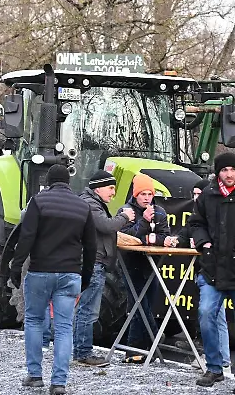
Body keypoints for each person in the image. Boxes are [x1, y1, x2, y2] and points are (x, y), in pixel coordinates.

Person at [10, 164, 97, 395]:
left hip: (40, 272)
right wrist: (85, 277)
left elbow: (26, 236)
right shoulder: (83, 206)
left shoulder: (38, 202)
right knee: (64, 328)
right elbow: (91, 247)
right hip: (70, 275)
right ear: (68, 183)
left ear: (48, 182)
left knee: (34, 321)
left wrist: (16, 267)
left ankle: (35, 375)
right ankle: (59, 383)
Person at [70, 171, 137, 367]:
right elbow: (106, 226)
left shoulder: (93, 203)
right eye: (110, 188)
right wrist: (124, 217)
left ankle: (81, 351)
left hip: (97, 262)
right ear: (98, 188)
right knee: (88, 310)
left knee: (87, 309)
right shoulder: (90, 204)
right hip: (94, 263)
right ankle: (82, 353)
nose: (113, 193)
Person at [117, 172, 178, 363]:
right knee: (138, 306)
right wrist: (144, 222)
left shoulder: (160, 212)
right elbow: (127, 237)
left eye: (149, 194)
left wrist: (153, 239)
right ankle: (138, 349)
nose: (146, 198)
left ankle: (144, 351)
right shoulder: (126, 211)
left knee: (147, 305)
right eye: (142, 194)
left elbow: (165, 237)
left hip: (152, 264)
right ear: (135, 195)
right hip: (131, 263)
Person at [188, 152, 235, 387]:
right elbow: (196, 223)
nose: (229, 174)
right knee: (206, 315)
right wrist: (203, 242)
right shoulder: (207, 195)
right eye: (225, 170)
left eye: (233, 170)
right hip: (212, 268)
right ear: (218, 173)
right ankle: (214, 368)